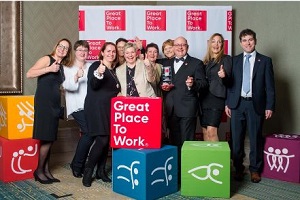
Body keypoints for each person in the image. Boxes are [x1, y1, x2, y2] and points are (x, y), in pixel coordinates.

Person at [225, 29, 275, 183]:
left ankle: (255, 170)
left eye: (250, 39)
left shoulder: (265, 61)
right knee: (236, 140)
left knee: (255, 139)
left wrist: (270, 106)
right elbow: (230, 85)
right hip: (237, 104)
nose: (248, 43)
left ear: (255, 41)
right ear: (240, 43)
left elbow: (270, 87)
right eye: (245, 40)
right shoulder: (235, 60)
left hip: (256, 105)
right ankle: (238, 168)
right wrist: (228, 103)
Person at [26, 38, 73, 184]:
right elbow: (29, 73)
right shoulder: (47, 59)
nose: (62, 49)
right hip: (44, 102)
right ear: (56, 46)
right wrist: (49, 69)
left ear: (67, 53)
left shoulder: (62, 67)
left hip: (54, 103)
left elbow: (58, 86)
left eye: (65, 48)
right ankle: (39, 170)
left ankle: (46, 170)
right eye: (60, 46)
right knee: (46, 136)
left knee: (50, 136)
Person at [161, 36, 208, 179]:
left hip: (187, 108)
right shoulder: (166, 63)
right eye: (177, 45)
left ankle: (187, 174)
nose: (180, 47)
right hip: (171, 108)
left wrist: (192, 85)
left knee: (186, 142)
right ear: (173, 47)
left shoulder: (196, 63)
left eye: (183, 45)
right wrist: (163, 87)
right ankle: (175, 172)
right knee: (174, 142)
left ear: (187, 47)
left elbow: (203, 84)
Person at [82, 42, 120, 187]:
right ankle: (88, 170)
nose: (111, 53)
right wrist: (99, 72)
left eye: (114, 51)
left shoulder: (114, 70)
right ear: (102, 52)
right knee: (102, 139)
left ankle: (101, 171)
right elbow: (94, 84)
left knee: (107, 140)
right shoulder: (96, 66)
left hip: (109, 109)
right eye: (108, 51)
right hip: (96, 108)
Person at [62, 40, 94, 178]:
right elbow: (65, 86)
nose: (82, 52)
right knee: (88, 132)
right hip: (76, 105)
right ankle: (77, 165)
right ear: (75, 52)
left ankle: (76, 163)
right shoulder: (67, 67)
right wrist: (76, 76)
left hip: (91, 106)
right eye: (80, 50)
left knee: (91, 134)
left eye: (85, 50)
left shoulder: (92, 66)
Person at [200, 33, 232, 141]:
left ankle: (216, 158)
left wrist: (224, 76)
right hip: (204, 98)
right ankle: (207, 157)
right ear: (210, 44)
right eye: (213, 41)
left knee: (211, 131)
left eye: (219, 41)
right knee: (204, 131)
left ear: (222, 45)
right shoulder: (205, 61)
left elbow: (230, 82)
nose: (216, 44)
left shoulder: (226, 59)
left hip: (216, 98)